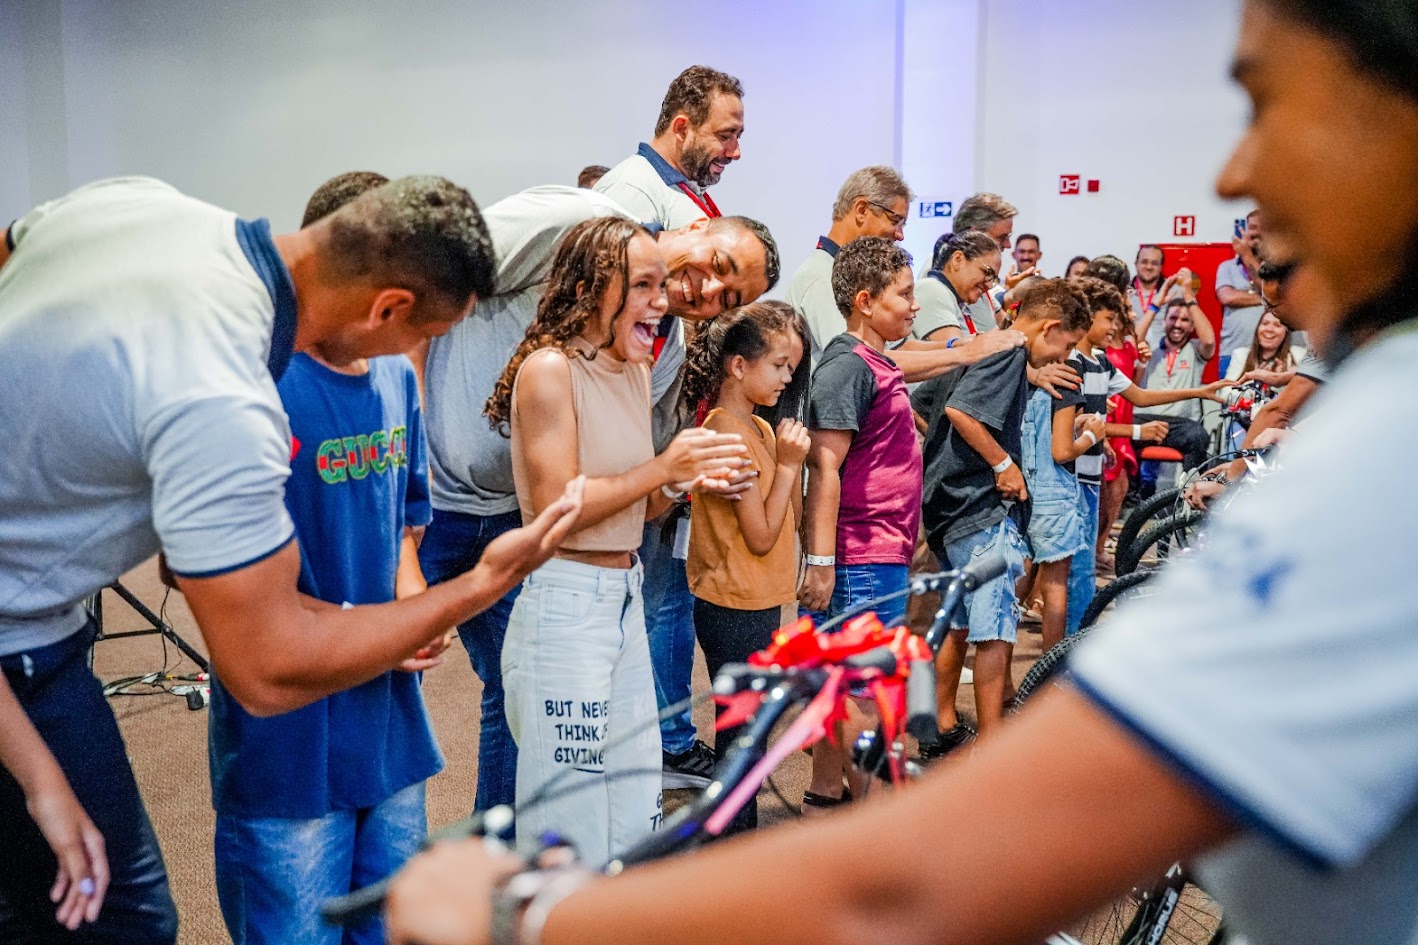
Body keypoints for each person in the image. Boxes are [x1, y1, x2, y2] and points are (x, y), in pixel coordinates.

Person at [384, 0, 1418, 941]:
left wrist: (528, 913)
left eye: (1264, 106)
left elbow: (912, 884)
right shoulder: (581, 300)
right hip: (579, 596)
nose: (1234, 173)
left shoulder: (1387, 444)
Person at [0, 172, 588, 944]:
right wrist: (481, 582)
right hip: (24, 637)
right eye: (423, 338)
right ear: (389, 309)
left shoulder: (140, 202)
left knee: (88, 899)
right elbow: (267, 665)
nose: (414, 355)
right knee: (119, 920)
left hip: (41, 631)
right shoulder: (227, 398)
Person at [416, 185, 775, 807]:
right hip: (428, 504)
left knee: (520, 703)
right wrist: (406, 446)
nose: (709, 292)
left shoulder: (654, 353)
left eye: (730, 299)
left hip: (515, 524)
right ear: (696, 224)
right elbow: (426, 278)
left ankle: (496, 855)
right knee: (375, 687)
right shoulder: (574, 225)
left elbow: (619, 479)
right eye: (720, 265)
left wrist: (679, 476)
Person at [208, 172, 451, 945]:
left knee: (391, 925)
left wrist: (412, 605)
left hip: (386, 729)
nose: (414, 339)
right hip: (290, 739)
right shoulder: (255, 381)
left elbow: (406, 521)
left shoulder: (392, 375)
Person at [486, 216, 750, 867]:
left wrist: (684, 479)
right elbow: (556, 507)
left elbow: (640, 503)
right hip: (566, 606)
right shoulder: (549, 371)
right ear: (592, 285)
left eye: (664, 284)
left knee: (636, 805)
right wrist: (662, 468)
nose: (663, 302)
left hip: (625, 595)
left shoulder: (632, 370)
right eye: (644, 285)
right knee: (567, 821)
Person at [916, 279, 1092, 747]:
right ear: (1050, 327)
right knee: (993, 631)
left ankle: (944, 723)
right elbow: (960, 412)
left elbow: (926, 405)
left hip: (947, 504)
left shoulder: (979, 345)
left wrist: (943, 459)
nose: (1064, 357)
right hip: (977, 507)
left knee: (955, 621)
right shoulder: (1011, 354)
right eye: (1067, 345)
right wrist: (1002, 463)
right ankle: (994, 741)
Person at [798, 237, 922, 809]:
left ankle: (827, 795)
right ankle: (873, 826)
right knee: (864, 695)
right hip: (858, 556)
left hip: (877, 551)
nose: (915, 306)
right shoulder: (846, 365)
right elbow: (824, 468)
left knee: (839, 685)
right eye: (905, 294)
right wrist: (822, 564)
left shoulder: (874, 361)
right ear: (866, 301)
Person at [682, 301, 812, 831]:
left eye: (791, 367)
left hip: (756, 599)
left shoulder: (757, 427)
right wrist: (787, 468)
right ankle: (731, 839)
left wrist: (785, 466)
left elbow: (787, 521)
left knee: (751, 727)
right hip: (732, 603)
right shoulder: (727, 432)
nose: (787, 378)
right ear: (739, 366)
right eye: (779, 365)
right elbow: (760, 535)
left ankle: (736, 833)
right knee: (742, 732)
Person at [1068, 279, 1226, 627]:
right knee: (1070, 571)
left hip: (1090, 473)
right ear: (1087, 316)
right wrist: (1129, 432)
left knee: (1081, 572)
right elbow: (1077, 424)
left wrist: (1202, 390)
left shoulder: (1100, 363)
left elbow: (1139, 396)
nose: (1115, 327)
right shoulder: (1072, 363)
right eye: (1110, 318)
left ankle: (1072, 646)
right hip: (1070, 477)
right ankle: (1061, 653)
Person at [594, 65, 743, 229]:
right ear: (682, 129)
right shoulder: (631, 190)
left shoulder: (681, 187)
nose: (736, 153)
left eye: (738, 136)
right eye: (725, 136)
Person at [786, 165, 912, 358]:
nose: (900, 235)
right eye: (895, 221)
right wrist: (961, 354)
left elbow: (895, 350)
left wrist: (955, 346)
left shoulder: (850, 275)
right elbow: (860, 360)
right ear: (861, 210)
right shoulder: (819, 277)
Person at [1134, 296, 1221, 473]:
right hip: (1146, 418)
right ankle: (1130, 499)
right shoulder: (1148, 348)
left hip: (1181, 425)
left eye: (1185, 320)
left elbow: (1210, 341)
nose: (1178, 324)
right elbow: (1134, 338)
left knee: (1198, 436)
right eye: (1173, 318)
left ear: (1192, 326)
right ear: (1164, 320)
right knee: (1124, 434)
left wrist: (1190, 296)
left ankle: (1190, 492)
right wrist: (1156, 304)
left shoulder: (1197, 350)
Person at [914, 231, 1002, 344]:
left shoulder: (957, 300)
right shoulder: (932, 288)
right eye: (987, 272)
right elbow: (958, 357)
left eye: (993, 278)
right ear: (958, 260)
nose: (989, 285)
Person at [948, 192, 1019, 332]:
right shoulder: (941, 268)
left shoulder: (979, 278)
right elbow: (954, 349)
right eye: (1002, 237)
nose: (1008, 244)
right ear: (974, 234)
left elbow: (1005, 325)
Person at [1215, 208, 1267, 373]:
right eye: (1252, 227)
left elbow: (1269, 287)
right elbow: (1227, 297)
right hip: (1232, 351)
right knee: (1230, 398)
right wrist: (1267, 299)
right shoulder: (1227, 267)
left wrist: (1246, 256)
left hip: (1272, 353)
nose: (1255, 232)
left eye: (1262, 227)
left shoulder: (1279, 266)